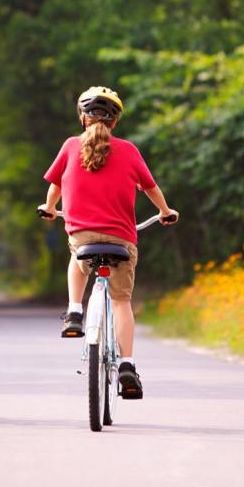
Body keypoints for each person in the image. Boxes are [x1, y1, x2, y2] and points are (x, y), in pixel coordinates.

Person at [39, 86, 178, 400]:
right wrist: (165, 211)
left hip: (83, 237)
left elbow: (56, 186)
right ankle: (127, 364)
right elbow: (151, 188)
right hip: (121, 240)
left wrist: (49, 209)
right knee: (121, 301)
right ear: (115, 122)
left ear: (82, 118)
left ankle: (75, 311)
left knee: (77, 260)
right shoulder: (128, 150)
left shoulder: (71, 146)